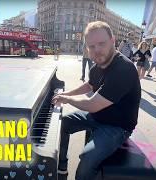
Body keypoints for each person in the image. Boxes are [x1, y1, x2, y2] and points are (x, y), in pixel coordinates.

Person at [53, 21, 141, 180]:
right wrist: (66, 94)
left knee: (87, 158)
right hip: (97, 116)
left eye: (101, 44)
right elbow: (89, 86)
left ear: (113, 41)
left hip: (117, 127)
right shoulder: (97, 66)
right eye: (91, 46)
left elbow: (92, 105)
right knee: (63, 123)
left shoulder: (124, 69)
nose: (97, 50)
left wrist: (66, 99)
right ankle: (62, 166)